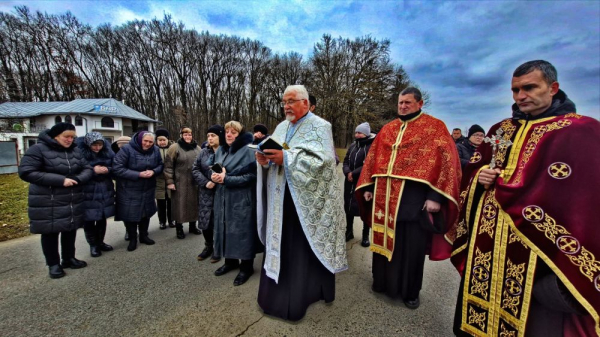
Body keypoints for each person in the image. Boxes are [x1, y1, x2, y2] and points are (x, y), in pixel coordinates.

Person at [452, 60, 600, 336]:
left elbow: (589, 202)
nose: (520, 97)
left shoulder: (580, 131)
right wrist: (480, 176)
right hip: (487, 243)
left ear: (553, 88)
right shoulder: (500, 130)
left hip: (540, 251)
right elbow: (473, 170)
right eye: (515, 90)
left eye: (529, 88)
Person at [355, 87, 461, 309]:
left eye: (408, 102)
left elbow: (446, 165)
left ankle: (410, 291)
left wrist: (435, 197)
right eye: (400, 102)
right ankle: (382, 283)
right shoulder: (388, 129)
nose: (403, 106)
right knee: (382, 241)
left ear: (420, 103)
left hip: (414, 201)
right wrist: (369, 186)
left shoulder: (434, 127)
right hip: (384, 198)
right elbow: (373, 160)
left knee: (411, 248)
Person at [256, 85, 348, 321]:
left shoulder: (320, 126)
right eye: (284, 101)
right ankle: (273, 298)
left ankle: (299, 298)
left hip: (304, 205)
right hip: (281, 200)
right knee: (282, 244)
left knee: (300, 250)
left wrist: (286, 157)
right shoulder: (281, 126)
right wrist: (265, 160)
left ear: (305, 103)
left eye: (291, 101)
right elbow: (274, 152)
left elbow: (325, 163)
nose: (286, 106)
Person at [18, 123, 93, 278]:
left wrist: (78, 178)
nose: (70, 140)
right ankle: (53, 264)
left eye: (72, 137)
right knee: (50, 231)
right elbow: (27, 172)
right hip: (48, 198)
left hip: (72, 197)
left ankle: (69, 258)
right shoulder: (37, 150)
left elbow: (87, 168)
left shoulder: (75, 150)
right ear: (55, 135)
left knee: (70, 228)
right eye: (66, 136)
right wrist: (60, 180)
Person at [210, 121, 258, 286]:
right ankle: (230, 262)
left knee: (242, 232)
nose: (229, 134)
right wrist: (214, 177)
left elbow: (253, 176)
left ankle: (246, 267)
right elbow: (213, 168)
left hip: (241, 198)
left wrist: (227, 179)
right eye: (227, 131)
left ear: (240, 134)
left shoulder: (249, 150)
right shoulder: (221, 150)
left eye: (233, 132)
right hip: (222, 197)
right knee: (224, 229)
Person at [113, 131, 163, 252]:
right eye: (145, 141)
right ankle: (132, 238)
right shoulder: (126, 149)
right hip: (129, 188)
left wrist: (154, 171)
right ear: (140, 139)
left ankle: (144, 235)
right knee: (131, 214)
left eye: (151, 142)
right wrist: (138, 174)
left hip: (148, 187)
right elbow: (117, 168)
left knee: (146, 213)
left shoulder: (155, 150)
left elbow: (160, 165)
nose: (148, 144)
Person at [78, 132, 116, 258]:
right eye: (94, 145)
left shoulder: (108, 153)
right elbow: (77, 171)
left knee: (102, 217)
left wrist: (108, 170)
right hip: (88, 190)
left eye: (100, 145)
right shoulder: (80, 155)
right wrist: (93, 171)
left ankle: (100, 242)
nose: (97, 148)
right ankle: (93, 245)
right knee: (89, 219)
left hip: (105, 188)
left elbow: (115, 167)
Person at [192, 124, 224, 263]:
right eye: (208, 136)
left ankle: (218, 248)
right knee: (206, 220)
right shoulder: (204, 152)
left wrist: (216, 181)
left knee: (219, 221)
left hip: (221, 191)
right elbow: (195, 169)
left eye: (213, 136)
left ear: (220, 136)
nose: (210, 139)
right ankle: (208, 246)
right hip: (206, 191)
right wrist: (205, 182)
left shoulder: (226, 152)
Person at [164, 126, 201, 239]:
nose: (188, 136)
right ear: (181, 135)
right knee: (179, 205)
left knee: (194, 204)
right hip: (180, 181)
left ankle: (193, 226)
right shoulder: (174, 147)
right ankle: (179, 228)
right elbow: (168, 166)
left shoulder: (197, 148)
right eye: (185, 134)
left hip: (195, 181)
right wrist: (170, 181)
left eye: (189, 134)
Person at [342, 122, 375, 246]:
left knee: (365, 208)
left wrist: (353, 173)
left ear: (366, 134)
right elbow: (345, 161)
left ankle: (365, 235)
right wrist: (347, 172)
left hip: (364, 182)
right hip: (349, 182)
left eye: (360, 133)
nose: (357, 135)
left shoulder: (372, 146)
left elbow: (369, 164)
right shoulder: (352, 146)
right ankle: (349, 231)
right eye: (356, 132)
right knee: (349, 207)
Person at [155, 128, 174, 230]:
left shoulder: (173, 148)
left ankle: (172, 220)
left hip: (170, 179)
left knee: (171, 202)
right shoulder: (153, 150)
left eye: (164, 140)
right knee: (161, 203)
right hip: (159, 180)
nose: (162, 142)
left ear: (167, 139)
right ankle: (162, 221)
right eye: (160, 140)